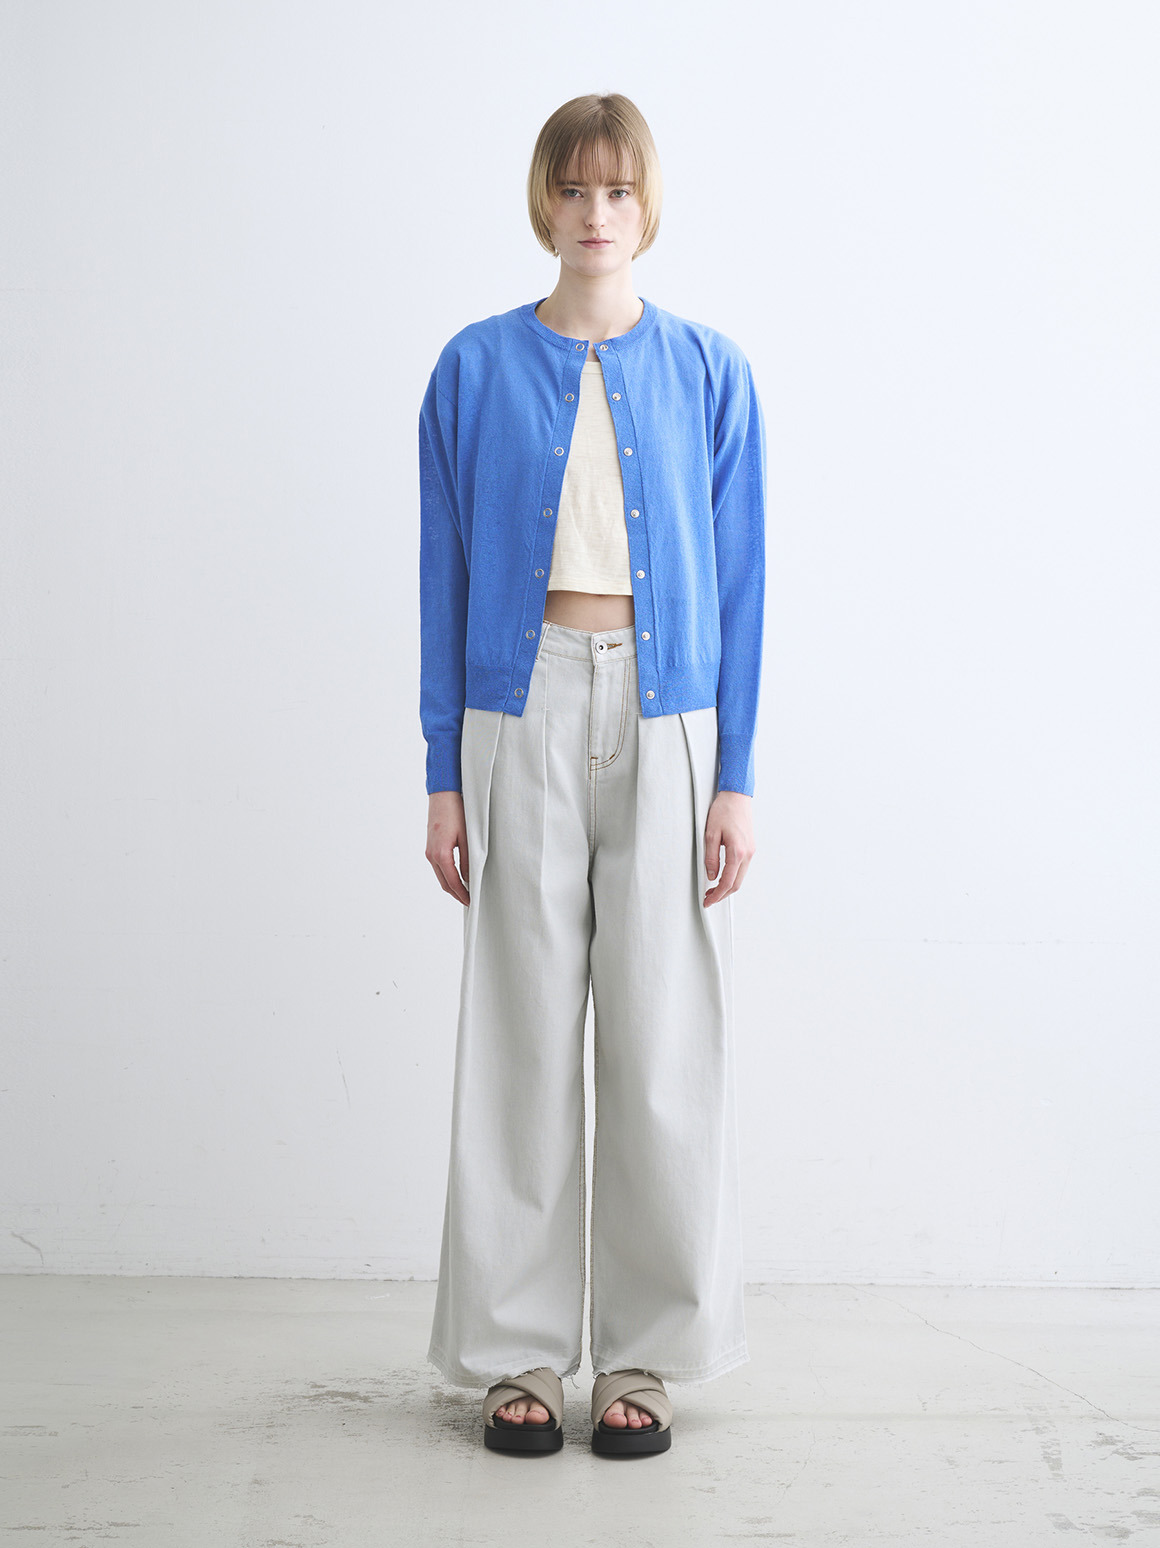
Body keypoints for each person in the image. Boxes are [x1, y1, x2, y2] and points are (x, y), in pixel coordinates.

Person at [418, 92, 766, 1456]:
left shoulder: (711, 372)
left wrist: (738, 774)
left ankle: (646, 1356)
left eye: (618, 188)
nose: (595, 211)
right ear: (544, 202)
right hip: (518, 707)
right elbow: (443, 577)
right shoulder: (471, 369)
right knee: (520, 1032)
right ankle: (514, 1353)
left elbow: (741, 582)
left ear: (647, 204)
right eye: (573, 187)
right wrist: (441, 772)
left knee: (662, 1036)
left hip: (669, 713)